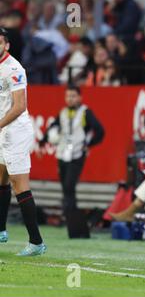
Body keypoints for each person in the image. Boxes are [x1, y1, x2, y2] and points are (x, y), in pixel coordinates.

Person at [0, 27, 47, 256]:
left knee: (19, 184)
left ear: (6, 45)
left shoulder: (15, 69)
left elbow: (19, 106)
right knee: (0, 176)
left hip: (15, 131)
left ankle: (36, 242)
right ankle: (1, 231)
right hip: (2, 130)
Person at [39, 85, 104, 239]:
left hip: (76, 154)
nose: (70, 99)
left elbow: (100, 130)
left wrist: (89, 144)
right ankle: (72, 221)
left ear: (80, 97)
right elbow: (53, 127)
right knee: (66, 188)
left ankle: (72, 219)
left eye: (73, 96)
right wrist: (43, 141)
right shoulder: (62, 112)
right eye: (68, 96)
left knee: (69, 186)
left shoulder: (85, 112)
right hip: (62, 154)